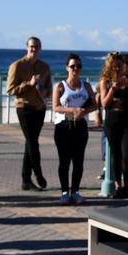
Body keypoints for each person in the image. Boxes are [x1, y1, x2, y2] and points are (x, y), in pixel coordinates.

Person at [7, 37, 52, 191]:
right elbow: (10, 90)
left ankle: (26, 180)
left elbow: (49, 91)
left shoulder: (45, 67)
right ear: (27, 47)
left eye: (37, 47)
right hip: (24, 108)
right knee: (33, 142)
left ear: (40, 49)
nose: (34, 49)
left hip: (39, 109)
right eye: (32, 46)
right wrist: (29, 84)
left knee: (30, 143)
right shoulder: (17, 65)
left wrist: (43, 90)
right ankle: (38, 173)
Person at [52, 53, 96, 205]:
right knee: (64, 161)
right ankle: (64, 192)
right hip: (63, 126)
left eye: (78, 66)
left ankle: (75, 191)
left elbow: (95, 104)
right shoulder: (60, 86)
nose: (75, 69)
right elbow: (55, 107)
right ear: (67, 68)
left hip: (80, 126)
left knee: (78, 161)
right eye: (72, 66)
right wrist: (72, 110)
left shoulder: (86, 86)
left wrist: (83, 111)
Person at [98, 52, 128, 199]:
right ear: (110, 66)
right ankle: (118, 186)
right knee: (115, 154)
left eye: (120, 65)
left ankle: (127, 184)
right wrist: (113, 89)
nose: (117, 68)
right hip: (112, 122)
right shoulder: (106, 81)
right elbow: (104, 104)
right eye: (114, 65)